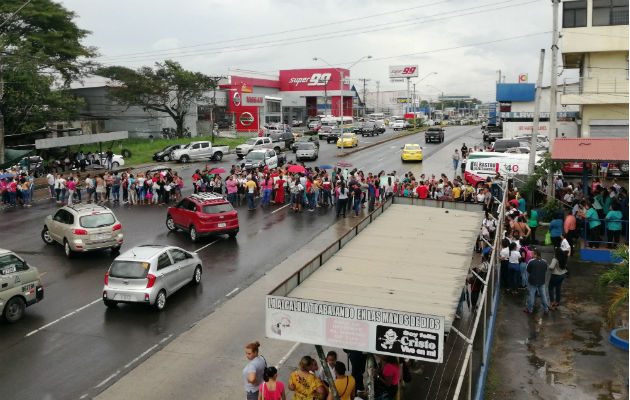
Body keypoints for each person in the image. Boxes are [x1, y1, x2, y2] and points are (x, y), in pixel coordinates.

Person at [525, 248, 550, 314]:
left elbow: (528, 270)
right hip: (542, 281)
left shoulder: (531, 261)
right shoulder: (544, 262)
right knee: (543, 295)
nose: (532, 254)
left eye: (533, 253)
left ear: (536, 254)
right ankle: (546, 308)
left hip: (533, 281)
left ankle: (530, 309)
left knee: (531, 295)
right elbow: (545, 269)